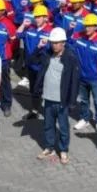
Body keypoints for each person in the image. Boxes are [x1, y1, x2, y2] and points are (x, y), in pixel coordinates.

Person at [33, 27, 80, 163]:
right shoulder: (47, 54)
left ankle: (63, 150)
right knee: (48, 125)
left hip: (62, 100)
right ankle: (49, 147)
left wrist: (72, 101)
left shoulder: (70, 58)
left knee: (63, 127)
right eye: (52, 42)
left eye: (56, 42)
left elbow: (74, 81)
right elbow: (32, 61)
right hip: (48, 98)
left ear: (63, 43)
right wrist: (39, 47)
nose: (54, 45)